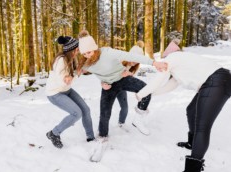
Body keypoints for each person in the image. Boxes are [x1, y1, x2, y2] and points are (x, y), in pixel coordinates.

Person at [136, 40, 231, 172]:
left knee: (202, 127)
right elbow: (170, 86)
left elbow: (158, 79)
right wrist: (151, 94)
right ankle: (192, 143)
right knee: (191, 110)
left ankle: (193, 169)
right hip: (215, 82)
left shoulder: (173, 58)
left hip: (215, 82)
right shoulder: (179, 65)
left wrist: (141, 94)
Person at [77, 30, 168, 138]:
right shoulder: (85, 64)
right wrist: (102, 83)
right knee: (105, 113)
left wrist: (154, 63)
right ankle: (102, 135)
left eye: (89, 52)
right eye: (84, 53)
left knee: (146, 90)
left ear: (94, 48)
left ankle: (138, 118)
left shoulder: (107, 52)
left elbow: (132, 56)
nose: (87, 55)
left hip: (123, 78)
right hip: (109, 86)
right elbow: (89, 72)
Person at [45, 36, 95, 149]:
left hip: (66, 90)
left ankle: (91, 137)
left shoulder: (69, 58)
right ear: (71, 49)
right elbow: (64, 82)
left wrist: (78, 72)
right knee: (76, 113)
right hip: (55, 93)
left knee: (85, 110)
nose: (78, 51)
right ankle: (54, 133)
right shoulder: (61, 61)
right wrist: (76, 74)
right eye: (77, 49)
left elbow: (68, 80)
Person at [101, 41, 145, 129]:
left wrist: (138, 93)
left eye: (137, 60)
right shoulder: (119, 61)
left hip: (122, 88)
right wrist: (103, 83)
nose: (134, 62)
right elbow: (105, 73)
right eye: (133, 59)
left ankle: (121, 123)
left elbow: (130, 82)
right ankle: (103, 132)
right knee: (106, 111)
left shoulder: (134, 67)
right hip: (110, 86)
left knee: (125, 108)